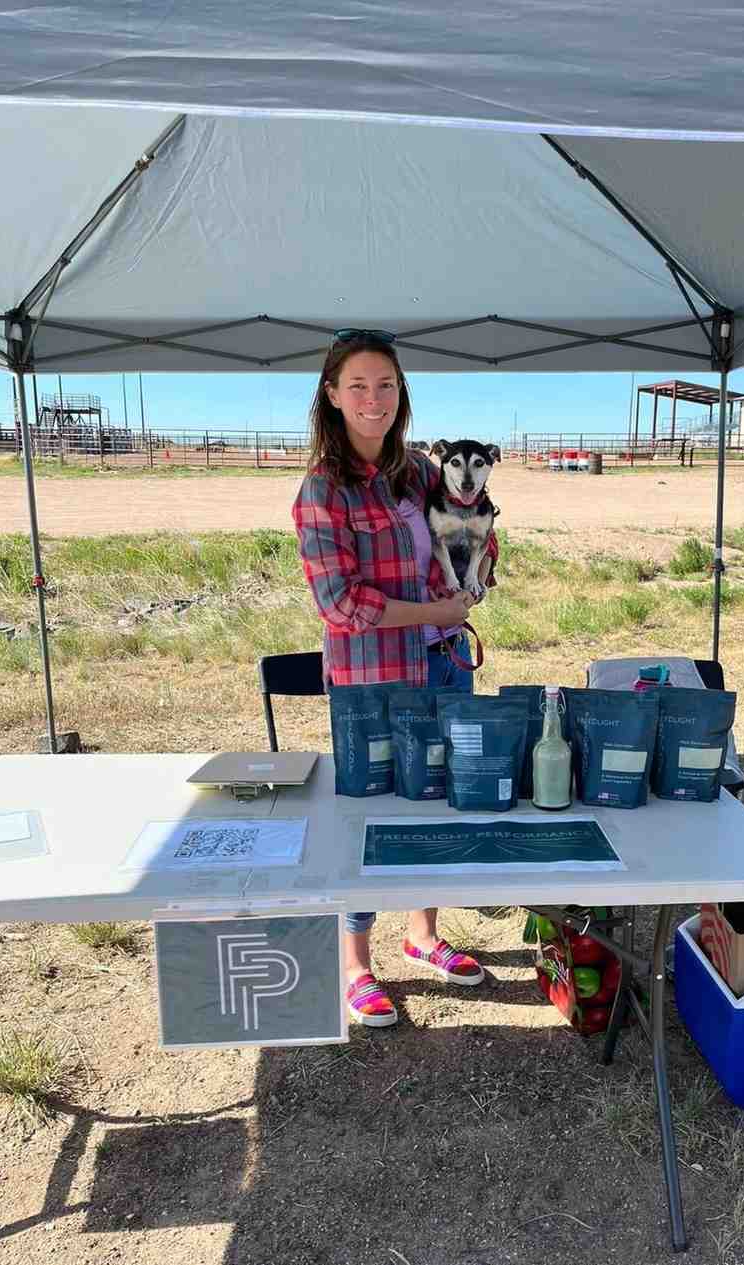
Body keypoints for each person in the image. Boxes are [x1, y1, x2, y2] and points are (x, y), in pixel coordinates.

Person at [292, 329, 497, 1028]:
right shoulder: (322, 489)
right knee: (367, 809)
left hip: (442, 662)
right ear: (332, 395)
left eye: (386, 385)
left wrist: (481, 567)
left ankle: (423, 933)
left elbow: (471, 533)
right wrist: (435, 608)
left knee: (439, 795)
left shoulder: (419, 472)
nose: (374, 399)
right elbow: (340, 604)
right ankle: (356, 961)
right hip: (372, 676)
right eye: (358, 386)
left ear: (401, 392)